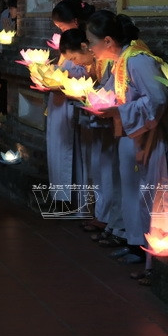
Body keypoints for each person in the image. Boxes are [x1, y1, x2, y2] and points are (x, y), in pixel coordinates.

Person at [86, 11, 168, 284]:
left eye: (92, 42)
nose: (90, 48)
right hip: (132, 131)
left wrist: (119, 110)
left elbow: (158, 99)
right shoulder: (121, 61)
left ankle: (146, 253)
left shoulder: (137, 60)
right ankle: (135, 243)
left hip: (147, 136)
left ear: (109, 40)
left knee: (148, 195)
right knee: (132, 191)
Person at [57, 28, 123, 244]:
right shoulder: (104, 61)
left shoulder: (123, 60)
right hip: (103, 121)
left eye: (75, 57)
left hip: (120, 124)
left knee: (111, 174)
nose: (76, 63)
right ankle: (106, 218)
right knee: (99, 170)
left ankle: (116, 225)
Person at [47, 0, 96, 203]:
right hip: (60, 101)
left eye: (61, 25)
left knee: (76, 153)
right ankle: (62, 197)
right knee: (59, 149)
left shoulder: (86, 46)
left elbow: (88, 75)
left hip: (74, 102)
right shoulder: (69, 43)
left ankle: (77, 201)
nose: (59, 29)